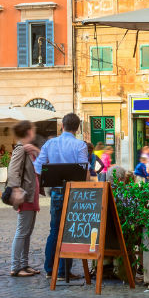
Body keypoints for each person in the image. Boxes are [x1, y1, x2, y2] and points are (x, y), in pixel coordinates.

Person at [34, 113, 90, 280]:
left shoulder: (50, 143)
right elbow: (83, 171)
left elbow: (38, 167)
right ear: (77, 128)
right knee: (69, 232)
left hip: (57, 190)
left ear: (62, 126)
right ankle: (64, 271)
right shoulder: (80, 145)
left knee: (55, 230)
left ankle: (50, 269)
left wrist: (46, 180)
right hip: (74, 191)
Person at [7, 120, 43, 277]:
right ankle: (16, 267)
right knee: (22, 232)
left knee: (27, 232)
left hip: (32, 196)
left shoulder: (29, 149)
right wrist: (15, 189)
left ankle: (24, 264)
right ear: (28, 132)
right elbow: (13, 171)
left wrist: (36, 151)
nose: (34, 132)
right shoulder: (20, 149)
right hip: (25, 196)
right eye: (33, 129)